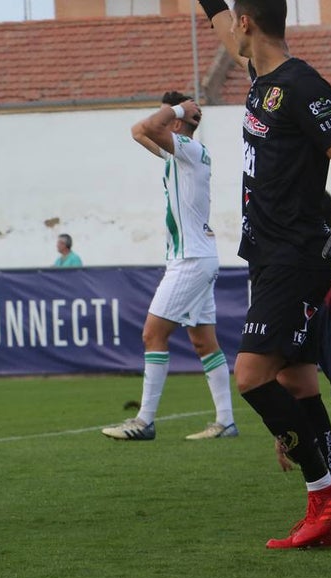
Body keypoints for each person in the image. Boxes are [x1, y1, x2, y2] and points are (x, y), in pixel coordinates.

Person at [199, 0, 331, 549]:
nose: (229, 30)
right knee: (295, 382)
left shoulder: (303, 85)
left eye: (234, 20)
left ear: (249, 23)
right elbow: (224, 32)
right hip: (266, 256)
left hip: (296, 255)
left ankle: (323, 495)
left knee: (251, 376)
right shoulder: (262, 77)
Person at [102, 92, 237, 442]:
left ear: (176, 123)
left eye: (169, 116)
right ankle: (226, 421)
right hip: (198, 256)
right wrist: (178, 111)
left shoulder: (187, 149)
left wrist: (177, 109)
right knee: (203, 341)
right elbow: (138, 131)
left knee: (153, 334)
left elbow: (148, 126)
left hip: (190, 259)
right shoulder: (182, 153)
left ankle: (145, 420)